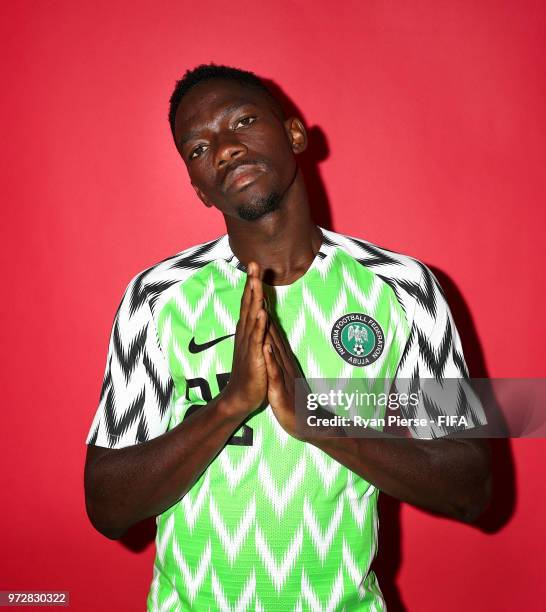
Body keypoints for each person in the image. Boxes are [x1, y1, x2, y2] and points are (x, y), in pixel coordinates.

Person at [84, 63, 491, 611]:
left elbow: (470, 485)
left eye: (243, 120)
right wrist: (229, 407)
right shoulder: (156, 297)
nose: (223, 149)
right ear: (198, 188)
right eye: (197, 150)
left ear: (295, 134)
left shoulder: (405, 288)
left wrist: (316, 420)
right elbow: (107, 507)